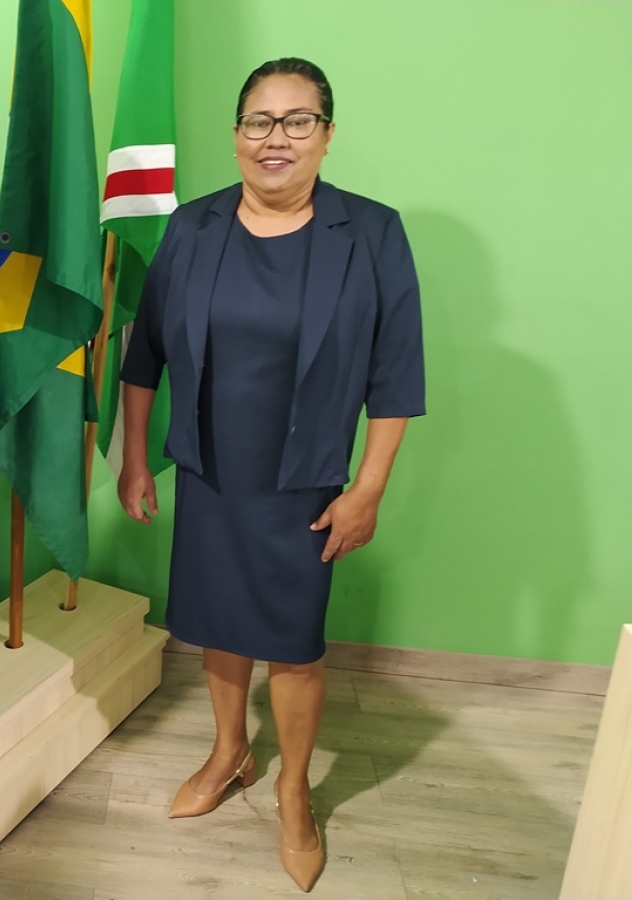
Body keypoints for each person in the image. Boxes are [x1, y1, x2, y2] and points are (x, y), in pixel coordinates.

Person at [118, 57, 425, 892]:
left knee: (292, 643)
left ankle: (294, 790)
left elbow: (396, 376)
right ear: (237, 135)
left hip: (306, 482)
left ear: (326, 134)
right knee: (219, 623)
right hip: (209, 469)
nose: (275, 137)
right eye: (259, 120)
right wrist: (138, 457)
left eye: (297, 120)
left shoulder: (372, 234)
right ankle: (230, 754)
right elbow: (145, 355)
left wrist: (368, 488)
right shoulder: (193, 226)